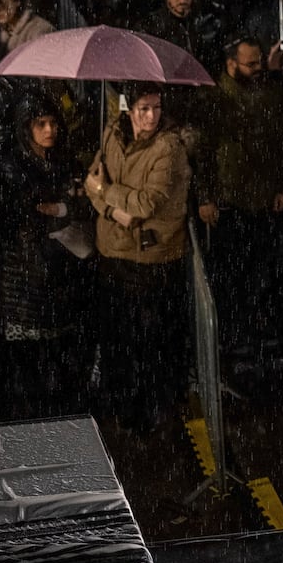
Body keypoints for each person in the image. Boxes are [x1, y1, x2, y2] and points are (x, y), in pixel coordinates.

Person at [84, 83, 191, 429]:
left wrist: (106, 193)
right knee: (117, 336)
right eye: (144, 108)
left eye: (156, 108)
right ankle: (121, 404)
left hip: (150, 259)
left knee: (149, 340)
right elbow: (92, 183)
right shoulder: (112, 132)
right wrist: (113, 209)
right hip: (113, 249)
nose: (151, 116)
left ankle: (150, 412)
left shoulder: (168, 148)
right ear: (130, 108)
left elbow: (147, 202)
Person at [0, 95, 87, 420]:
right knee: (29, 362)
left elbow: (79, 203)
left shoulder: (62, 161)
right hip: (26, 279)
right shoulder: (13, 167)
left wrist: (60, 208)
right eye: (41, 124)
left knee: (57, 358)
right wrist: (59, 210)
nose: (49, 130)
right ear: (26, 128)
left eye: (53, 123)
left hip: (59, 276)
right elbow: (23, 216)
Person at [202, 36, 283, 347]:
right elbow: (203, 151)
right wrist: (205, 196)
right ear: (232, 64)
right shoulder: (215, 98)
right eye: (250, 63)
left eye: (259, 62)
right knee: (231, 273)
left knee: (260, 270)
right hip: (229, 198)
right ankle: (231, 337)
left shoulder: (270, 93)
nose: (258, 68)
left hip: (262, 197)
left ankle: (256, 330)